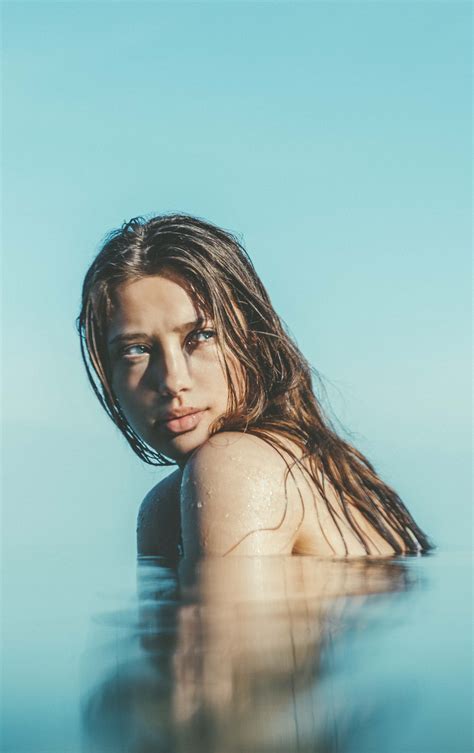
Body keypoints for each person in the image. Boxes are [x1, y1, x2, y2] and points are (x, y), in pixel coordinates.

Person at [78, 213, 433, 559]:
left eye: (200, 336)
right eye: (136, 350)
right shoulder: (167, 504)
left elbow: (231, 622)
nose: (172, 381)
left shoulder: (235, 465)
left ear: (253, 340)